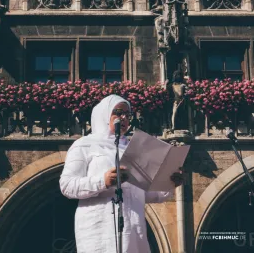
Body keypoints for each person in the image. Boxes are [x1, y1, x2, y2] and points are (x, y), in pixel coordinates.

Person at [59, 94, 183, 253]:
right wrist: (103, 181)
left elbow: (144, 193)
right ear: (105, 114)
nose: (123, 118)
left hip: (133, 230)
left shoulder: (134, 148)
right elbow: (67, 185)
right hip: (100, 229)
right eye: (118, 112)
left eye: (127, 114)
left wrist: (169, 182)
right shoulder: (85, 145)